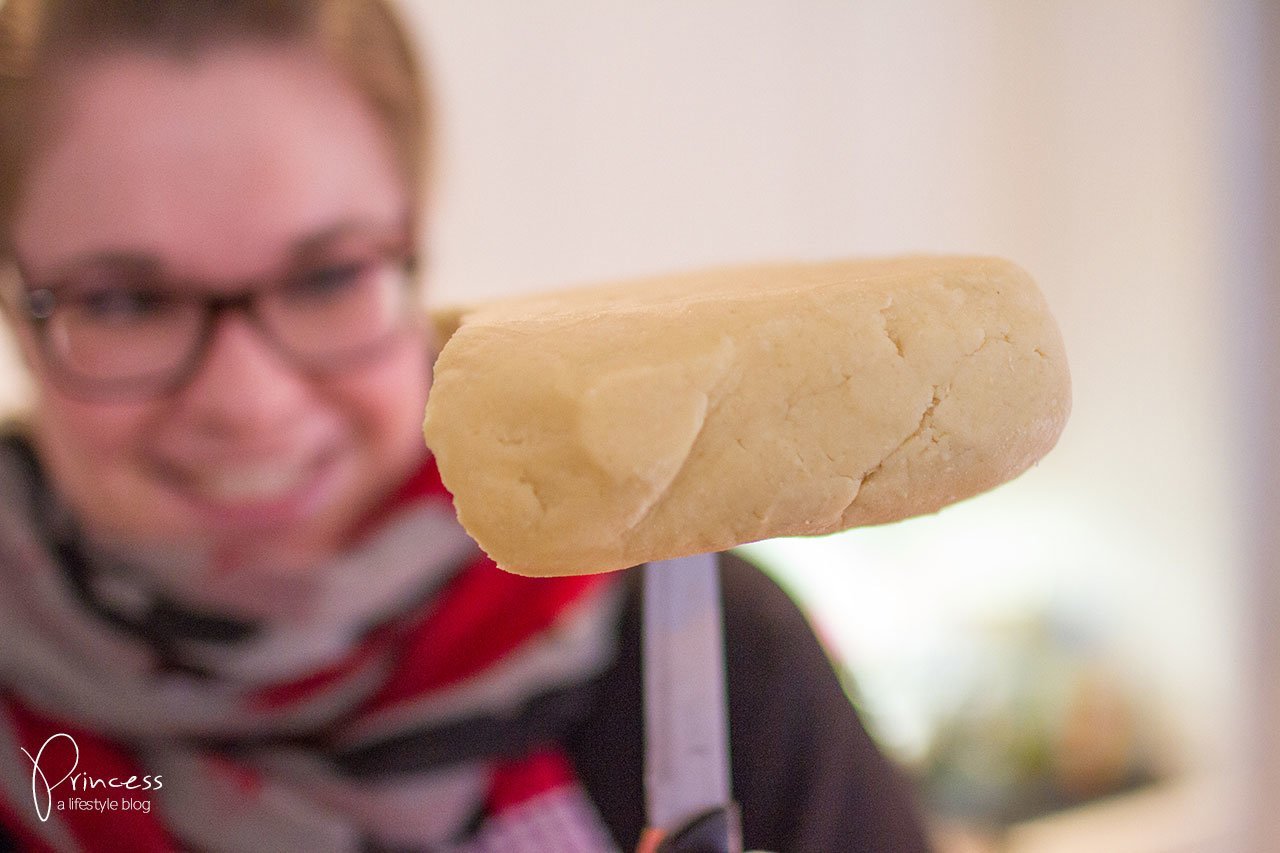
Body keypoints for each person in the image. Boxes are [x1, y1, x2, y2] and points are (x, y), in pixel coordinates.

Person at [0, 1, 932, 850]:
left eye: (326, 277)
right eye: (125, 301)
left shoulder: (705, 653)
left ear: (413, 253)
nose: (249, 402)